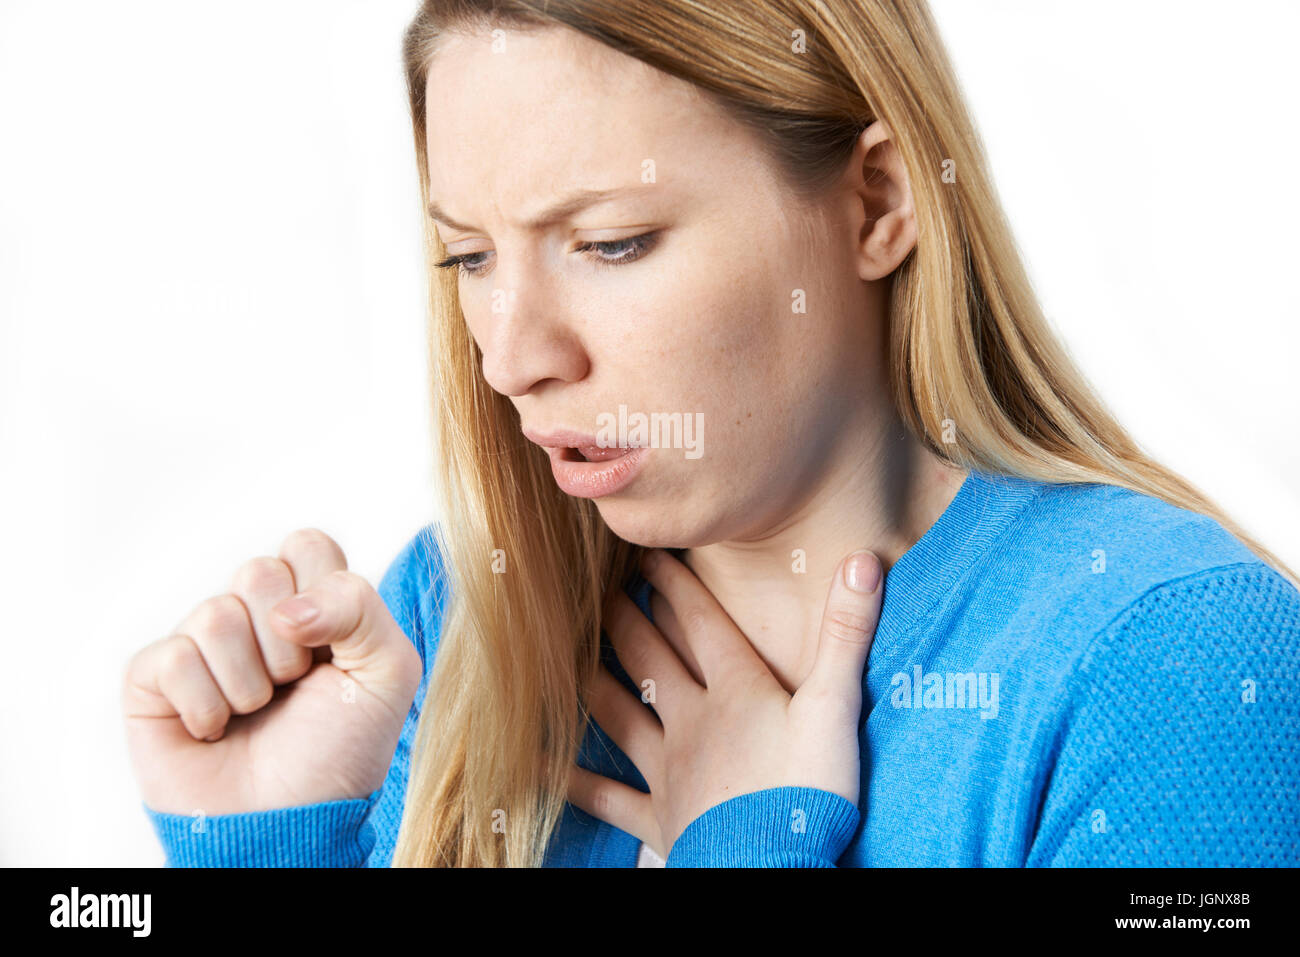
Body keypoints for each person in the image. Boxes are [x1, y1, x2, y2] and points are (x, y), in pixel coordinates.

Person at [123, 0, 1300, 867]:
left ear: (877, 203)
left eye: (611, 243)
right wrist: (270, 847)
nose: (512, 358)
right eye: (468, 258)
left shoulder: (1170, 661)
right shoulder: (449, 622)